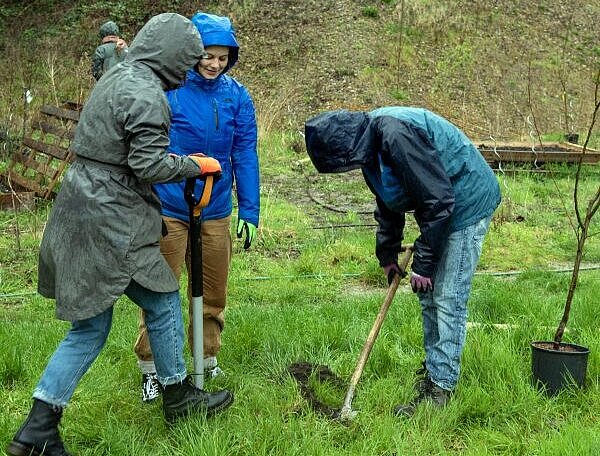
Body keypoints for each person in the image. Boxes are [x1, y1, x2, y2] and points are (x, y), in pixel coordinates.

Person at [6, 13, 234, 456]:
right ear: (169, 55)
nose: (186, 73)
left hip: (81, 204)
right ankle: (178, 399)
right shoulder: (145, 92)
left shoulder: (118, 74)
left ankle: (38, 429)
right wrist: (195, 164)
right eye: (185, 64)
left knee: (103, 321)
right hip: (112, 219)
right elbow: (148, 165)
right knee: (152, 302)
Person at [304, 107, 501, 417]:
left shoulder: (396, 137)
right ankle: (434, 370)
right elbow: (389, 200)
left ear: (344, 150)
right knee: (428, 297)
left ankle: (442, 387)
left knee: (447, 296)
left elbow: (439, 201)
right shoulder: (368, 147)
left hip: (465, 204)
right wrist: (387, 253)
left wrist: (423, 263)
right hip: (439, 207)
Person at [133, 11, 259, 402]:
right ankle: (152, 368)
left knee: (212, 288)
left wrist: (250, 210)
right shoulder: (169, 91)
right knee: (161, 288)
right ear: (192, 52)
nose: (214, 64)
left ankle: (205, 358)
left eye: (222, 58)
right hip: (169, 205)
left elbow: (245, 153)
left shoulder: (236, 96)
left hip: (216, 207)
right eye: (207, 55)